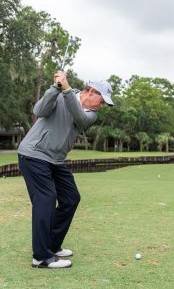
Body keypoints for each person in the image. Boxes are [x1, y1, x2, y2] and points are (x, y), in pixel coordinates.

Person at [18, 71, 113, 269]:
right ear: (91, 92)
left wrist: (67, 89)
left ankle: (52, 244)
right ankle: (41, 257)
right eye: (102, 100)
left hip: (56, 160)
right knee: (45, 199)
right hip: (34, 154)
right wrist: (55, 88)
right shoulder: (60, 95)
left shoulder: (90, 114)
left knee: (71, 198)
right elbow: (39, 110)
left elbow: (78, 116)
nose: (102, 106)